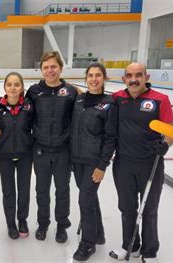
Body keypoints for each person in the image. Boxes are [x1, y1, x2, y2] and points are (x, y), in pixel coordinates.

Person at [109, 63, 173, 263]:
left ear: (146, 76)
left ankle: (149, 251)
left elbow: (170, 130)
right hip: (123, 164)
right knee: (127, 208)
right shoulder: (118, 98)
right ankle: (130, 246)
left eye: (138, 75)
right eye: (129, 75)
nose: (134, 79)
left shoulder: (160, 100)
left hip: (150, 164)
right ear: (123, 79)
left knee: (149, 209)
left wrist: (166, 145)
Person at [25, 51, 79, 243]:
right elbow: (25, 117)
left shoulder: (71, 92)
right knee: (41, 190)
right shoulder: (33, 91)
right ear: (41, 69)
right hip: (40, 149)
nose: (50, 71)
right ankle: (43, 223)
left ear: (60, 68)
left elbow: (78, 120)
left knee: (62, 190)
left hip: (63, 150)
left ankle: (62, 225)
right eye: (46, 67)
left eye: (53, 66)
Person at [70, 63, 117, 261]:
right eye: (90, 75)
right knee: (89, 197)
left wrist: (102, 165)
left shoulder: (109, 103)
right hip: (77, 159)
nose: (94, 79)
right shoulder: (79, 100)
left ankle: (87, 244)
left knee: (85, 199)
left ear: (104, 78)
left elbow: (110, 138)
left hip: (93, 161)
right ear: (86, 78)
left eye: (98, 75)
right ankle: (99, 234)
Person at [0, 72, 33, 240]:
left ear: (22, 87)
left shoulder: (29, 106)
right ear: (4, 87)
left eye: (17, 84)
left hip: (25, 154)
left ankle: (22, 220)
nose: (13, 88)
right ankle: (11, 223)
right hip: (5, 155)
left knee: (24, 190)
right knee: (8, 191)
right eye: (9, 84)